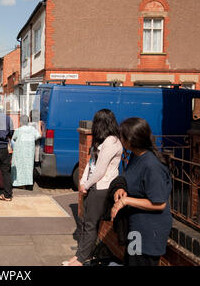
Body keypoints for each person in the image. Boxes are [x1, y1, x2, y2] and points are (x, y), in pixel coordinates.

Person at [64, 109, 123, 266]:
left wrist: (87, 184)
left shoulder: (112, 142)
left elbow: (101, 170)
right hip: (92, 187)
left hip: (102, 188)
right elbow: (91, 164)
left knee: (91, 225)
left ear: (101, 123)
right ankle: (79, 255)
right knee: (84, 223)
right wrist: (83, 183)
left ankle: (82, 259)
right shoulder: (101, 141)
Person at [112, 118, 172, 266]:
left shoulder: (152, 166)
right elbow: (130, 179)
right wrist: (121, 189)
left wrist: (126, 201)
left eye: (122, 137)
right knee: (131, 261)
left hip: (149, 232)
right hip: (135, 228)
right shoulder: (135, 155)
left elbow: (159, 204)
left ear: (131, 140)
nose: (120, 139)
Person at [11, 115, 42, 189]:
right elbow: (39, 136)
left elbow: (13, 138)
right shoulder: (32, 130)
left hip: (19, 152)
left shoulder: (18, 130)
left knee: (19, 167)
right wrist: (40, 125)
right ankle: (27, 183)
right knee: (28, 167)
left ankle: (19, 183)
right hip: (29, 153)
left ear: (20, 121)